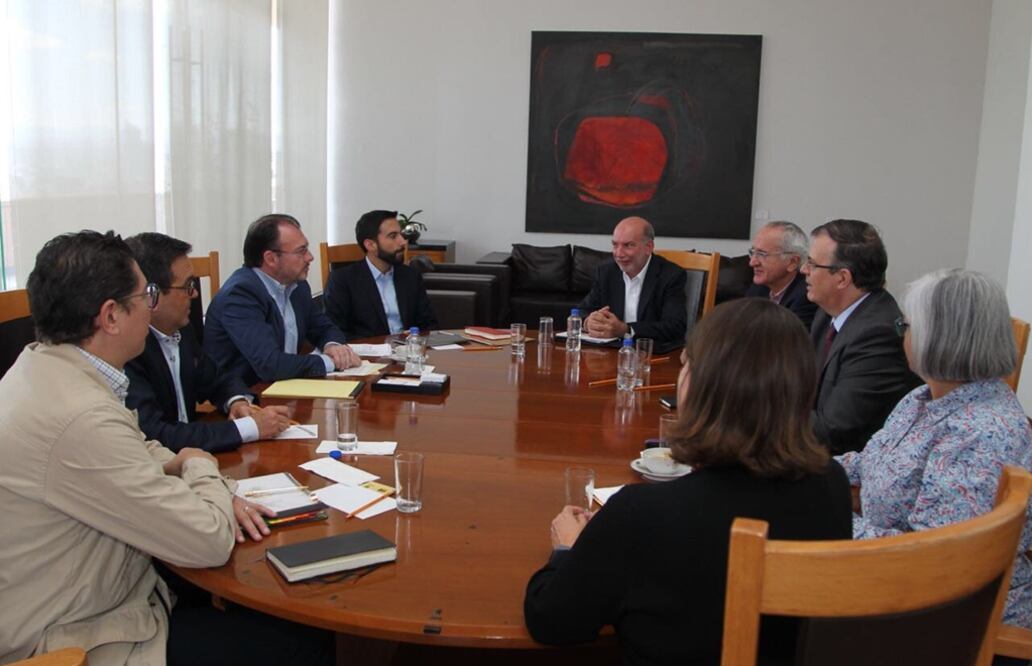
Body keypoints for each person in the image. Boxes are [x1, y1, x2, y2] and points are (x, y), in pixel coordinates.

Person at [0, 231, 333, 666]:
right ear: (111, 316)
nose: (152, 303)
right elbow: (209, 539)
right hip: (79, 636)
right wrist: (198, 466)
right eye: (146, 294)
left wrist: (179, 462)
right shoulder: (79, 416)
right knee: (302, 638)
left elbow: (135, 442)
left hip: (91, 592)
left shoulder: (43, 367)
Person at [524, 298, 852, 665]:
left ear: (695, 387)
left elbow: (551, 621)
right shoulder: (831, 485)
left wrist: (568, 551)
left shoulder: (642, 514)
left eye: (686, 366)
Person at [837, 269, 1032, 630]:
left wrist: (823, 518)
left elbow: (934, 554)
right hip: (898, 588)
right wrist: (796, 465)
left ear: (941, 337)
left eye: (905, 326)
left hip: (957, 626)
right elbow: (871, 463)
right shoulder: (924, 396)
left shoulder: (981, 431)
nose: (902, 336)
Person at [124, 232, 290, 452]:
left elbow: (218, 378)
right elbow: (157, 435)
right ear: (151, 296)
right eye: (186, 286)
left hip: (197, 458)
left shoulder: (182, 330)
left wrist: (237, 402)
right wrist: (249, 428)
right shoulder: (128, 350)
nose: (194, 294)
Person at [801, 219, 919, 454]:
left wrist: (766, 413)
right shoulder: (827, 314)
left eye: (812, 264)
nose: (804, 270)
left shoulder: (878, 336)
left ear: (842, 278)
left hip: (848, 467)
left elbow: (833, 431)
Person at [204, 213, 360, 385]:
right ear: (271, 258)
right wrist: (331, 362)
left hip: (287, 386)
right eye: (301, 251)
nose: (310, 257)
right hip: (249, 397)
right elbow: (269, 364)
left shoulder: (297, 286)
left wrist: (333, 346)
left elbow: (325, 328)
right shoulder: (241, 294)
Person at [324, 209, 438, 338]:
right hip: (367, 354)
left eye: (401, 235)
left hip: (409, 352)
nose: (403, 242)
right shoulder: (342, 280)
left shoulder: (411, 276)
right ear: (371, 245)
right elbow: (335, 332)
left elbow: (429, 325)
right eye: (393, 236)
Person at [579, 216, 687, 346]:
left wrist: (625, 330)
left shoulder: (671, 275)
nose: (619, 253)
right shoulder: (606, 272)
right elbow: (581, 311)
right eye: (615, 245)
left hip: (652, 354)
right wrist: (588, 322)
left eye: (628, 245)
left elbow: (675, 327)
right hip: (610, 352)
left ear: (649, 247)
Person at [744, 220, 817, 328]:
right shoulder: (759, 288)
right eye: (753, 253)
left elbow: (788, 341)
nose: (752, 262)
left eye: (762, 254)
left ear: (792, 262)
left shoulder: (807, 297)